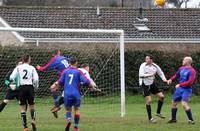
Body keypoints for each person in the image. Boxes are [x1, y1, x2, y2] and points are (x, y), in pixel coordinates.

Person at [54, 58, 98, 131]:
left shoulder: (65, 71)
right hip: (76, 93)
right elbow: (86, 81)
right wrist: (91, 86)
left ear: (69, 63)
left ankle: (68, 121)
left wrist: (56, 87)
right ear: (76, 63)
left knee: (68, 109)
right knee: (77, 109)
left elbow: (60, 82)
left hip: (67, 94)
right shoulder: (78, 71)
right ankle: (76, 127)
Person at [36, 49, 70, 117]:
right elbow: (71, 60)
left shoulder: (54, 59)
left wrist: (40, 68)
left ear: (53, 54)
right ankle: (57, 107)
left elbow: (46, 68)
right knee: (59, 91)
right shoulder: (64, 58)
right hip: (69, 75)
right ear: (59, 53)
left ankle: (57, 106)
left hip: (65, 77)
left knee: (53, 89)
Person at [10, 55, 39, 131]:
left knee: (23, 108)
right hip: (30, 88)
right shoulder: (32, 68)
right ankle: (33, 120)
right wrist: (35, 87)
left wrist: (13, 83)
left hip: (22, 88)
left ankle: (25, 127)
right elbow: (36, 79)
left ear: (22, 60)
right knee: (32, 106)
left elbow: (11, 77)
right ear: (29, 60)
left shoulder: (18, 67)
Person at [167, 56, 196, 124]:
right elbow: (176, 75)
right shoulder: (181, 68)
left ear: (187, 62)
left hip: (186, 90)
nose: (182, 61)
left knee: (184, 104)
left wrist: (180, 85)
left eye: (183, 60)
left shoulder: (192, 71)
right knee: (174, 103)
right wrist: (170, 79)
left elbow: (190, 82)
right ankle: (173, 119)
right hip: (179, 89)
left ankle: (191, 120)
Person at [139, 55, 167, 123]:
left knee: (162, 97)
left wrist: (165, 80)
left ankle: (158, 112)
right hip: (144, 84)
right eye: (145, 58)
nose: (146, 60)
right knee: (149, 100)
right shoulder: (143, 65)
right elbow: (141, 75)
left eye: (147, 59)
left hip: (151, 84)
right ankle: (150, 119)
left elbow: (161, 73)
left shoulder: (155, 66)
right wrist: (150, 75)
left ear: (151, 60)